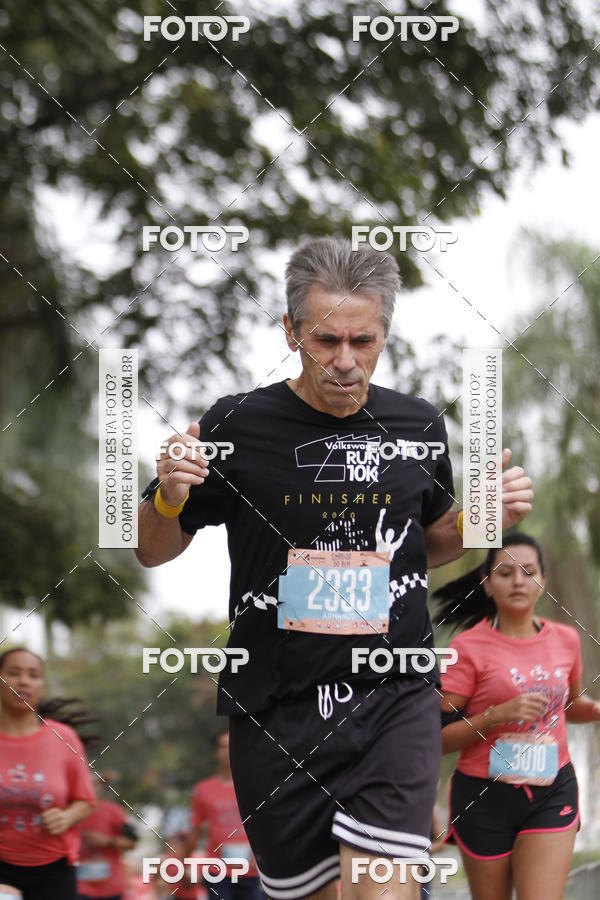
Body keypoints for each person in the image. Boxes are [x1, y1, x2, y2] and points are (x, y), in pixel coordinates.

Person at [135, 236, 533, 900]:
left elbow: (429, 542)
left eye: (363, 341)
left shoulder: (417, 424)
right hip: (277, 708)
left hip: (394, 694)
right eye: (325, 341)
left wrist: (479, 516)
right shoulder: (236, 423)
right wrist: (167, 494)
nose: (345, 362)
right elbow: (153, 548)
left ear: (384, 334)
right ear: (290, 331)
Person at [435, 533, 600, 900]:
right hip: (483, 797)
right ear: (487, 583)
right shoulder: (467, 648)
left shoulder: (566, 640)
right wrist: (495, 715)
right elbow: (437, 738)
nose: (519, 581)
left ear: (543, 580)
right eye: (506, 572)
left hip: (552, 789)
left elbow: (571, 707)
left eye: (529, 572)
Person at [0, 647, 96, 899]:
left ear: (42, 685)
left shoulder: (64, 738)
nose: (24, 681)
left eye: (33, 675)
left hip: (54, 869)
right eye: (13, 673)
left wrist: (66, 818)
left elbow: (85, 801)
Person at [182, 730, 262, 900]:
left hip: (252, 870)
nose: (227, 751)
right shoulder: (203, 789)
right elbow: (194, 831)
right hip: (217, 872)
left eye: (231, 746)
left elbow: (267, 825)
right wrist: (185, 864)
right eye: (222, 747)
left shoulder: (254, 785)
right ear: (215, 753)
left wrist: (261, 856)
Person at [76, 770, 138, 900]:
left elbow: (132, 843)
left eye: (94, 784)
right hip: (80, 886)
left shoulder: (114, 811)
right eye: (85, 784)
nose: (90, 788)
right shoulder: (72, 811)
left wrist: (108, 841)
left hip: (111, 887)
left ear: (100, 787)